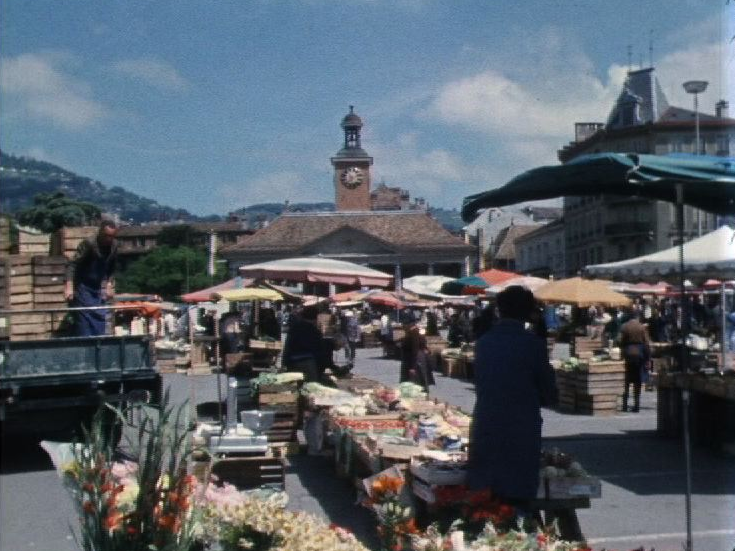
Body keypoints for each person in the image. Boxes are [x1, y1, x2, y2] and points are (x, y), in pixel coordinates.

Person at [466, 286, 557, 517]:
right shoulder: (533, 344)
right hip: (520, 430)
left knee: (487, 500)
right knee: (517, 500)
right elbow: (550, 394)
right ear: (528, 312)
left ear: (499, 310)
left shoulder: (484, 342)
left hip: (486, 425)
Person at [64, 220, 118, 337]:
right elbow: (73, 264)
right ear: (100, 233)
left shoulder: (114, 246)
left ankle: (98, 347)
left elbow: (112, 267)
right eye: (106, 236)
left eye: (111, 236)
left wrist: (109, 284)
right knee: (84, 321)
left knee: (99, 318)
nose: (109, 239)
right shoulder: (89, 244)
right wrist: (69, 286)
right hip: (83, 285)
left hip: (97, 287)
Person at [619, 311, 651, 412]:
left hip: (628, 353)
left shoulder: (625, 327)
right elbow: (646, 343)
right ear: (638, 317)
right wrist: (648, 358)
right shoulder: (642, 327)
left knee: (627, 381)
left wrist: (623, 352)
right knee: (637, 381)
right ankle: (636, 405)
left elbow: (620, 341)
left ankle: (624, 405)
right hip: (639, 354)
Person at [282, 306, 323, 382]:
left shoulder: (294, 328)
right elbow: (319, 351)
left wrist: (284, 363)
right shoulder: (316, 332)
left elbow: (287, 346)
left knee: (294, 388)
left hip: (294, 361)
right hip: (310, 363)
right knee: (311, 388)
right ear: (315, 318)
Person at [399, 315, 435, 391]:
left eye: (404, 324)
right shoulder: (412, 332)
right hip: (413, 359)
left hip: (416, 360)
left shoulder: (414, 333)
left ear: (410, 324)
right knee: (414, 382)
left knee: (417, 381)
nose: (403, 326)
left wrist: (413, 367)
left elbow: (414, 350)